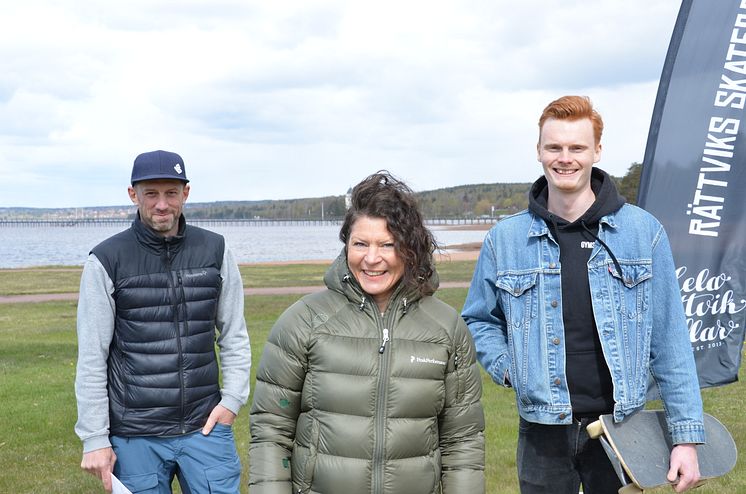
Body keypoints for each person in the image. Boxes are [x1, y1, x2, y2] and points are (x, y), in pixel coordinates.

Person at [461, 96, 705, 494]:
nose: (565, 158)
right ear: (539, 151)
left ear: (597, 151)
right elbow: (478, 319)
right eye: (554, 147)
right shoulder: (505, 240)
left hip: (621, 429)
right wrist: (510, 367)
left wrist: (686, 437)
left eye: (576, 147)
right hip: (542, 431)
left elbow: (671, 342)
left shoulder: (643, 233)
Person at [248, 171, 485, 494]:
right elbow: (270, 431)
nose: (372, 259)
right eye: (361, 244)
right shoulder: (303, 321)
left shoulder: (447, 329)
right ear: (347, 244)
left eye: (387, 245)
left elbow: (464, 441)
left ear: (409, 249)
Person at [74, 150, 251, 493]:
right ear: (133, 194)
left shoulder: (216, 249)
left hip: (205, 428)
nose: (161, 204)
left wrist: (231, 401)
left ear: (186, 193)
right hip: (134, 435)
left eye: (171, 193)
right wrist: (95, 437)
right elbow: (92, 357)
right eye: (151, 193)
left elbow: (234, 335)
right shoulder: (106, 260)